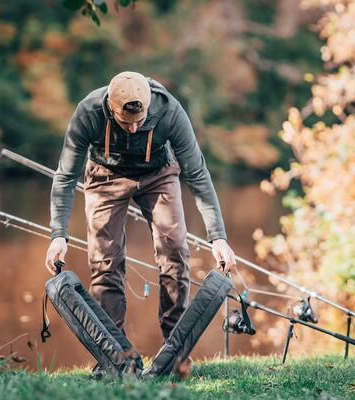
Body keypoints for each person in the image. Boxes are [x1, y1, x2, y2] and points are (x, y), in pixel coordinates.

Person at [45, 71, 236, 340]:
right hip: (104, 176)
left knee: (175, 253)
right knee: (104, 261)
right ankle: (111, 351)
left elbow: (197, 173)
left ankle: (175, 348)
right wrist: (58, 235)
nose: (134, 128)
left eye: (140, 121)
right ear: (110, 109)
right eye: (126, 122)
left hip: (158, 174)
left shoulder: (169, 111)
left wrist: (218, 237)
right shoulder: (88, 112)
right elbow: (65, 176)